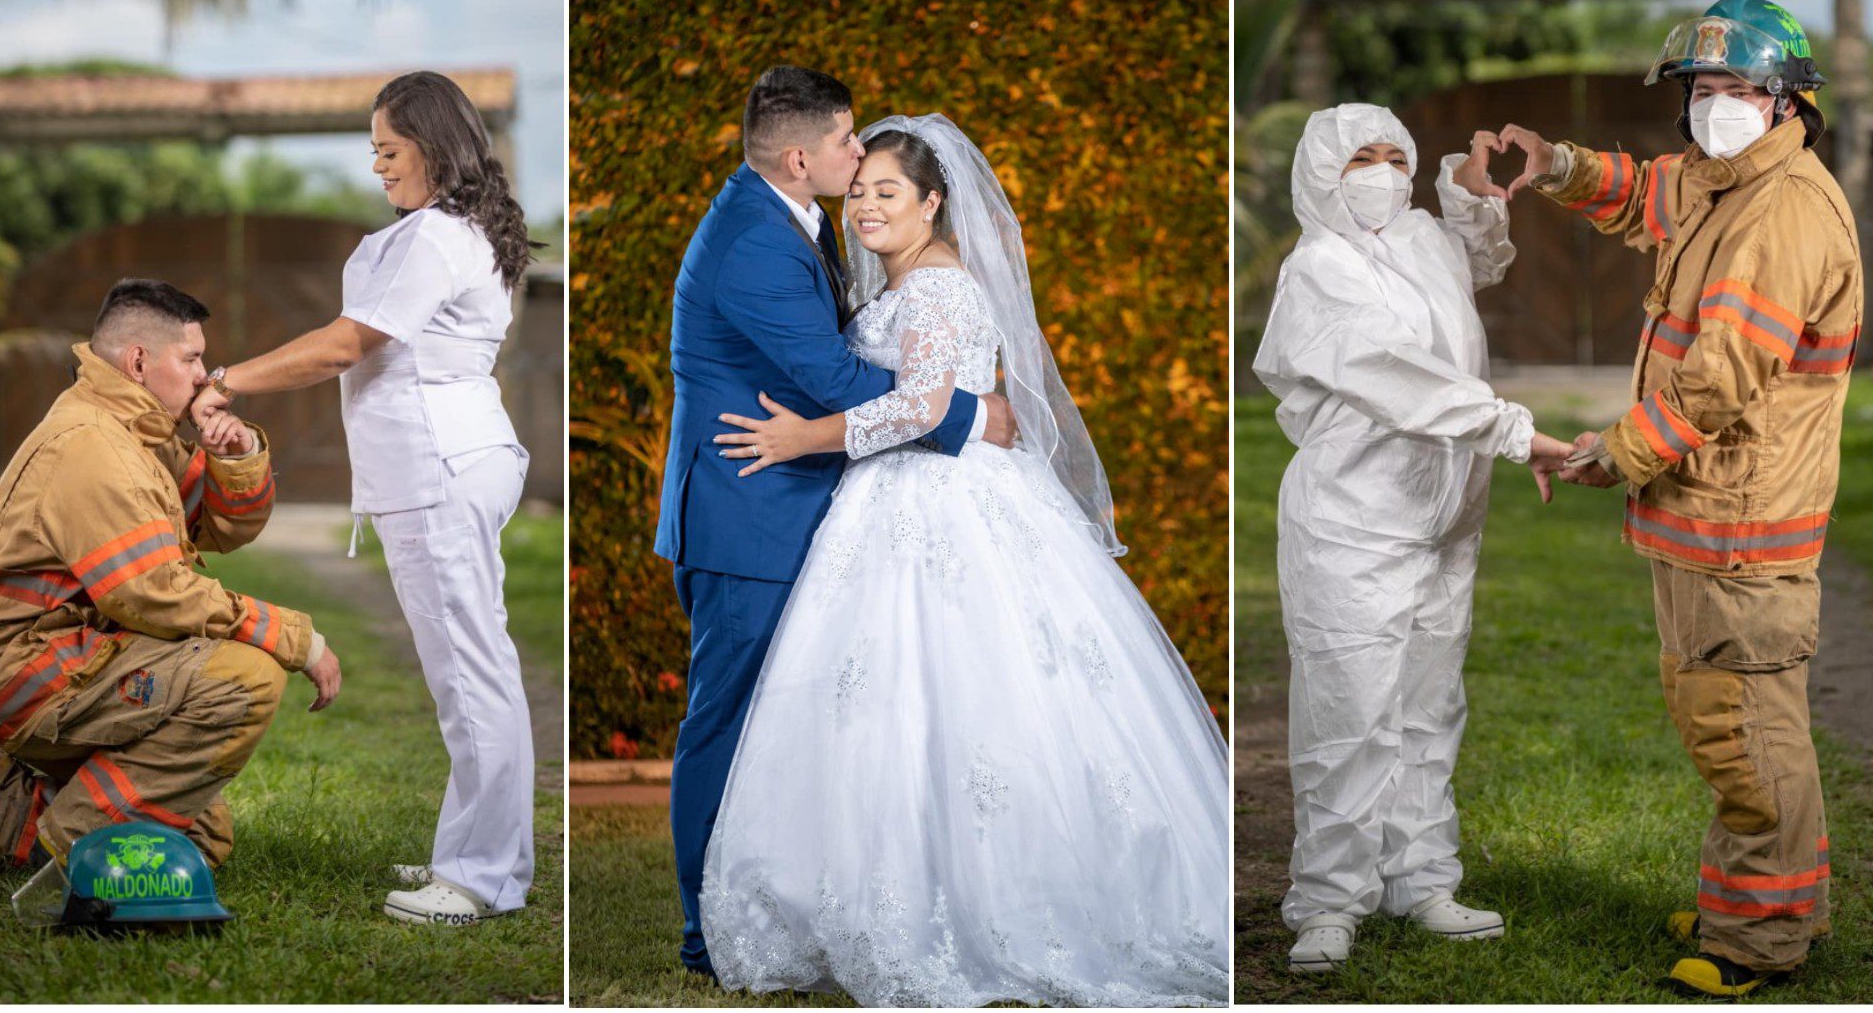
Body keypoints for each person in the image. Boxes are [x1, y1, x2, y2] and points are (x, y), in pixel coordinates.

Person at [696, 114, 1229, 1006]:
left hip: (942, 502)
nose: (865, 206)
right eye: (859, 190)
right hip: (891, 500)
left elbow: (920, 408)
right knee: (888, 703)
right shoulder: (900, 287)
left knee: (968, 694)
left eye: (887, 193)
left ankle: (989, 898)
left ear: (933, 202)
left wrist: (804, 438)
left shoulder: (940, 289)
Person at [1501, 0, 1861, 998]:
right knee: (1726, 711)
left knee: (1739, 725)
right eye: (1698, 85)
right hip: (1705, 512)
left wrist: (1612, 452)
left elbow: (1723, 375)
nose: (1711, 102)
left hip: (1742, 521)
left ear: (1784, 98)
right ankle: (1760, 901)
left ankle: (1761, 937)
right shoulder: (1723, 181)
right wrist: (1556, 164)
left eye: (1733, 86)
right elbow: (1639, 193)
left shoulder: (1781, 213)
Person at [654, 68, 1018, 980]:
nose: (858, 163)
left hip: (800, 509)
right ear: (800, 155)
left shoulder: (791, 220)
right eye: (852, 147)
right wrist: (970, 416)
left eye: (876, 169)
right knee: (726, 728)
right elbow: (834, 376)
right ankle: (709, 934)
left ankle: (808, 902)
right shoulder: (753, 241)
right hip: (749, 513)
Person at [188, 71, 537, 927]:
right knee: (466, 667)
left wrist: (225, 380)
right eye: (373, 151)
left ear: (434, 145)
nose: (377, 166)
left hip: (441, 466)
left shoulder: (435, 239)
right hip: (451, 461)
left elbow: (344, 345)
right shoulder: (448, 231)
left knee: (470, 669)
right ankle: (477, 853)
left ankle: (483, 876)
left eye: (388, 149)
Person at [1252, 104, 1573, 974]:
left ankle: (1420, 878)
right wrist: (1513, 431)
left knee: (1429, 709)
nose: (1385, 172)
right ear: (1324, 170)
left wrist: (1469, 198)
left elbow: (1480, 263)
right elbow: (1401, 377)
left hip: (1444, 519)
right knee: (1350, 716)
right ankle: (1329, 900)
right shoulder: (1318, 269)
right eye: (1364, 157)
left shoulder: (1423, 240)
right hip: (1354, 519)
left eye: (1398, 156)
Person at [0, 279, 340, 884]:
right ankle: (63, 854)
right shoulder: (92, 445)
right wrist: (296, 639)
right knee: (245, 678)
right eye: (191, 359)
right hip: (23, 667)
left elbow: (219, 526)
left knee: (200, 835)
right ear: (139, 361)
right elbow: (151, 591)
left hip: (77, 652)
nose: (205, 377)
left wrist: (235, 456)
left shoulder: (135, 429)